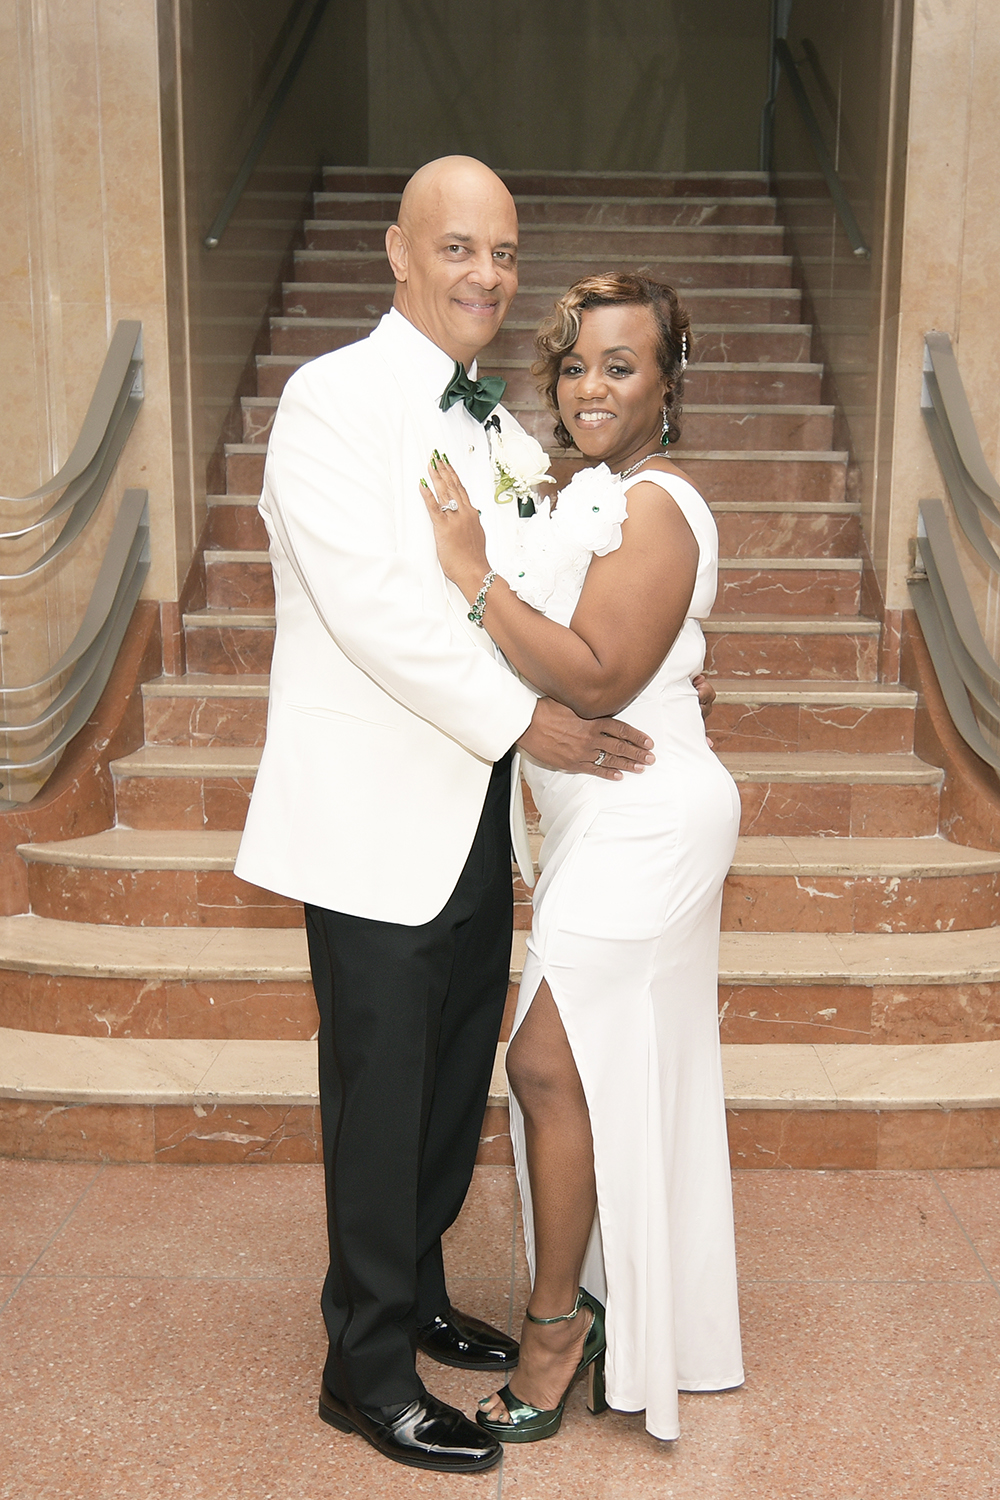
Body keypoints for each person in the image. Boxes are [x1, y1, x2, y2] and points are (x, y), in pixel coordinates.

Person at [233, 158, 668, 1476]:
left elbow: (539, 550)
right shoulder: (329, 402)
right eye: (462, 249)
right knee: (377, 1100)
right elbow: (377, 613)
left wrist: (658, 595)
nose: (487, 275)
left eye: (506, 253)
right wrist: (528, 719)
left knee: (440, 1084)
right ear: (399, 254)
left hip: (470, 814)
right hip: (370, 814)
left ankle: (414, 1293)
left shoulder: (484, 414)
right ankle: (361, 1368)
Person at [420, 271, 744, 1445]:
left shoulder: (654, 501)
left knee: (547, 1064)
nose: (593, 385)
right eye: (574, 364)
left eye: (622, 363)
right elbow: (593, 654)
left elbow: (598, 676)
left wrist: (472, 574)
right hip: (600, 815)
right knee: (596, 1069)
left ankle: (557, 1330)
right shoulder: (589, 496)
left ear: (668, 380)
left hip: (649, 814)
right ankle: (613, 1306)